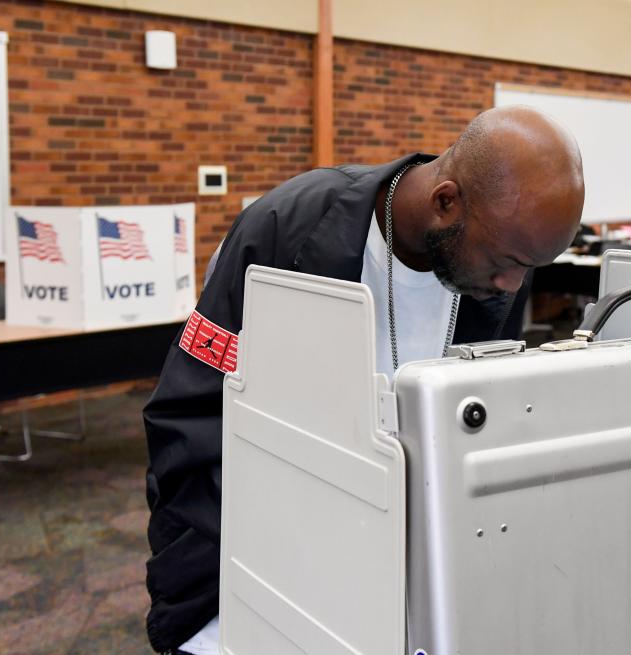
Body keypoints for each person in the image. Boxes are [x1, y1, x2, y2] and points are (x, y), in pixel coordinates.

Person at [142, 106, 585, 654]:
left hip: (399, 581)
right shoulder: (288, 228)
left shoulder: (494, 266)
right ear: (445, 202)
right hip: (252, 573)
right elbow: (187, 419)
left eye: (530, 266)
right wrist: (284, 537)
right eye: (508, 260)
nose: (512, 284)